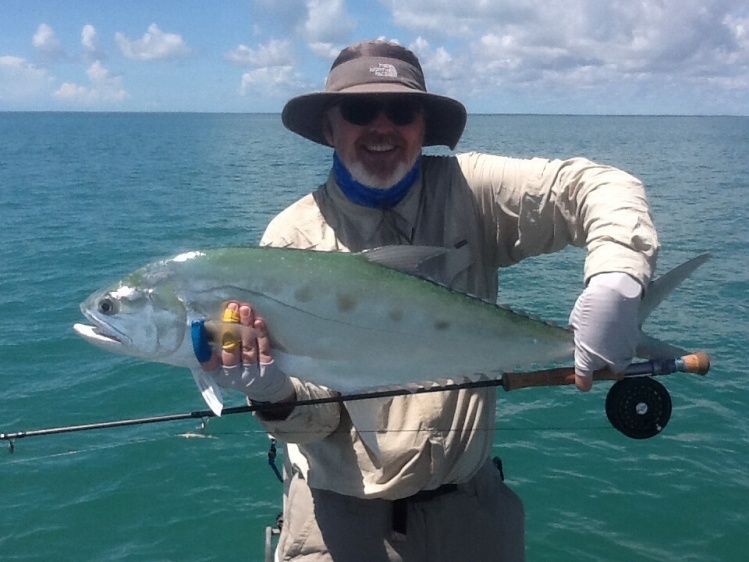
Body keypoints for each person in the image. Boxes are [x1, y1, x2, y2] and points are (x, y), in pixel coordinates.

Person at [195, 40, 658, 561]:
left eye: (402, 110)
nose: (382, 126)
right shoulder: (291, 239)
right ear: (329, 127)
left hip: (471, 515)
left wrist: (617, 275)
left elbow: (596, 186)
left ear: (423, 124)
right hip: (339, 523)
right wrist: (272, 391)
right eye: (359, 109)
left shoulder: (472, 191)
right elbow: (320, 423)